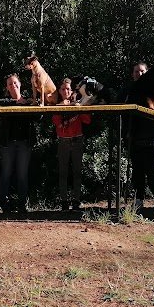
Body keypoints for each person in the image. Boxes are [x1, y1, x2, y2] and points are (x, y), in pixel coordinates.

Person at [123, 62, 154, 217]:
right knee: (137, 173)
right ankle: (138, 203)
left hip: (152, 138)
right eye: (136, 71)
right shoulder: (129, 91)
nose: (139, 74)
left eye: (142, 71)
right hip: (135, 139)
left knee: (153, 173)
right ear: (132, 74)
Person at [0, 73, 37, 213]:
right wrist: (15, 103)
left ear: (20, 84)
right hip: (8, 144)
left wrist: (29, 104)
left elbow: (39, 116)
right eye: (10, 84)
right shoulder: (3, 102)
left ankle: (22, 205)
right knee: (6, 173)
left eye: (15, 82)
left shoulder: (29, 101)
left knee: (22, 174)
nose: (13, 85)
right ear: (7, 87)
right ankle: (4, 205)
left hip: (24, 143)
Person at [52, 78, 91, 211]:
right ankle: (63, 201)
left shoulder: (78, 103)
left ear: (72, 90)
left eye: (68, 89)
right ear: (59, 91)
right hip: (63, 140)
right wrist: (63, 106)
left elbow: (87, 120)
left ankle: (76, 200)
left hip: (77, 140)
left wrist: (79, 108)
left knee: (77, 172)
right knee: (63, 172)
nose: (66, 91)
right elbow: (57, 123)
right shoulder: (56, 105)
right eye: (63, 89)